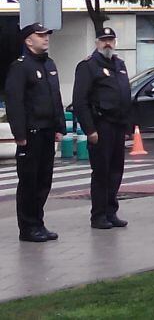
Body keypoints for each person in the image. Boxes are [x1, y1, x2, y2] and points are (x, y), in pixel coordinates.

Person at [5, 23, 65, 243]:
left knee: (44, 180)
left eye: (46, 35)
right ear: (28, 40)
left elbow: (55, 98)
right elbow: (14, 102)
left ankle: (38, 223)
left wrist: (60, 126)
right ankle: (28, 227)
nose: (45, 38)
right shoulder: (20, 67)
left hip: (48, 131)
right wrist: (19, 133)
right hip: (31, 133)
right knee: (29, 182)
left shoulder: (49, 64)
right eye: (40, 35)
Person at [73, 27, 132, 230]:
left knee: (116, 171)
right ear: (97, 42)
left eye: (111, 40)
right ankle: (98, 215)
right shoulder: (88, 66)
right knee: (101, 172)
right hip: (101, 125)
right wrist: (90, 130)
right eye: (104, 40)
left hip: (118, 125)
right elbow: (80, 101)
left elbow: (124, 94)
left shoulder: (119, 64)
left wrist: (127, 125)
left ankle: (111, 211)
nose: (108, 43)